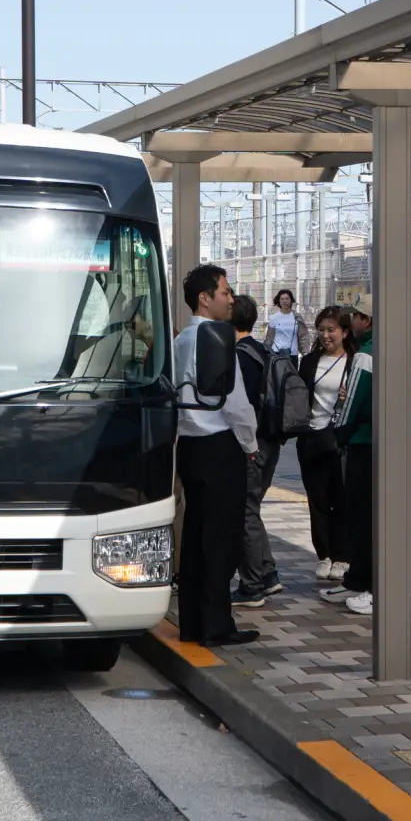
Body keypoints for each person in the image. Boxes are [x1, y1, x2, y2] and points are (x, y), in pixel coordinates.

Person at [173, 263, 260, 648]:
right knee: (220, 540)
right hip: (219, 446)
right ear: (205, 299)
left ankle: (191, 623)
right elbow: (236, 404)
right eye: (225, 292)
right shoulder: (219, 339)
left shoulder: (179, 342)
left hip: (189, 447)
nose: (231, 298)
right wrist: (250, 444)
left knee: (195, 536)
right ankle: (217, 625)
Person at [321, 298, 381, 613]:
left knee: (361, 517)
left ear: (366, 320)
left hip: (362, 444)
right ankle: (358, 580)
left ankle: (369, 584)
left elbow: (350, 405)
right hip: (385, 444)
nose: (351, 322)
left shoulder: (366, 356)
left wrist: (337, 435)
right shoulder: (391, 347)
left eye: (354, 316)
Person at [229, 294, 284, 609]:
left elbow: (241, 408)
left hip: (253, 443)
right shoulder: (261, 350)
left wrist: (244, 446)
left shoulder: (239, 356)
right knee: (252, 507)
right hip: (270, 440)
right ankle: (267, 575)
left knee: (245, 511)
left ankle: (252, 586)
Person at [297, 305, 357, 582]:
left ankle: (343, 555)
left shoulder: (355, 361)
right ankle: (324, 555)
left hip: (340, 440)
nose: (325, 336)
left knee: (342, 500)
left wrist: (349, 397)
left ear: (345, 331)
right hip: (311, 438)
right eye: (321, 330)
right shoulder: (309, 362)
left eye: (331, 330)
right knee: (317, 500)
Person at [266, 289, 307, 355]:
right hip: (276, 353)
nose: (284, 301)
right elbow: (269, 338)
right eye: (282, 299)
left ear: (291, 300)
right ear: (279, 301)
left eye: (287, 299)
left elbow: (303, 336)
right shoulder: (274, 318)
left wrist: (305, 353)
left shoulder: (297, 317)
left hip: (292, 354)